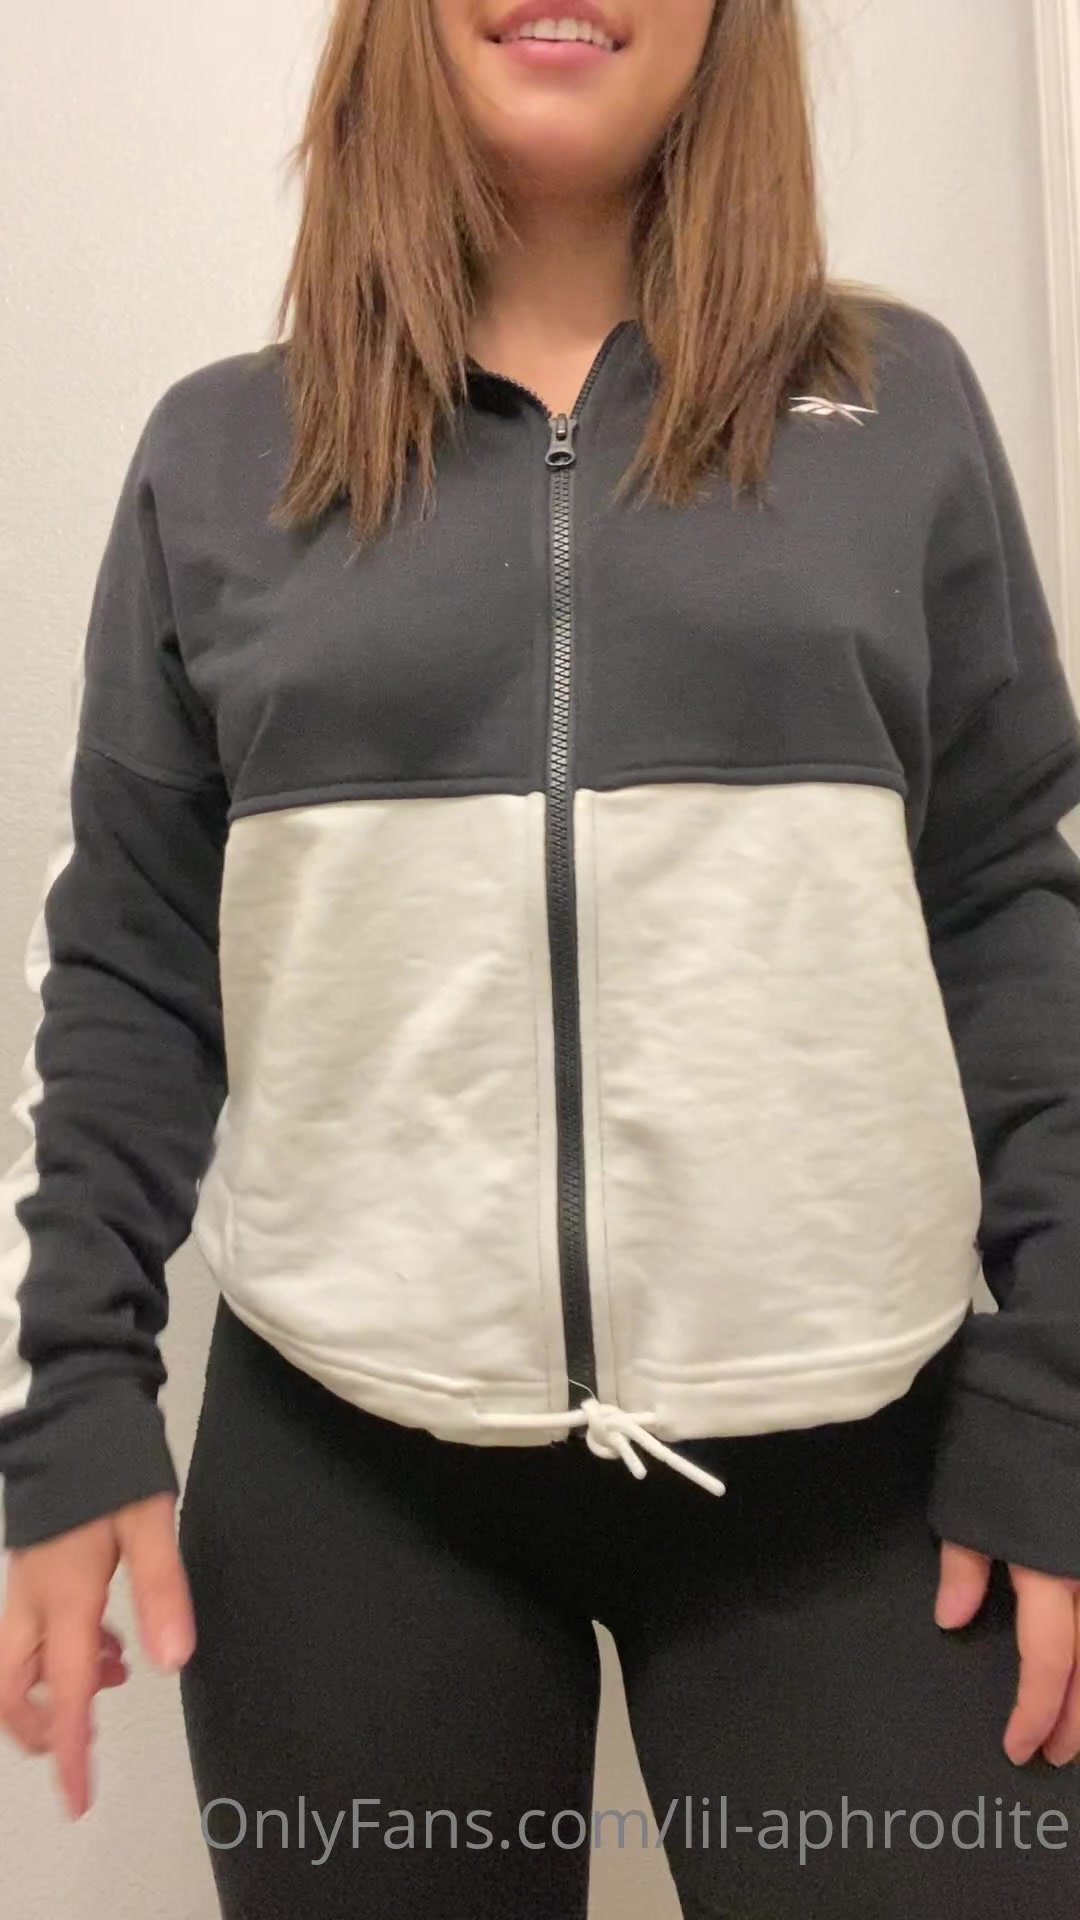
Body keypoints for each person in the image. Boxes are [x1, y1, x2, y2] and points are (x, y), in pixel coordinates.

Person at [2, 1, 1080, 1914]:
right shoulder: (221, 453)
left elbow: (1008, 904)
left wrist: (1061, 1388)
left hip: (866, 1485)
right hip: (349, 1491)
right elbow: (132, 964)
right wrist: (75, 1390)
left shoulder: (897, 407)